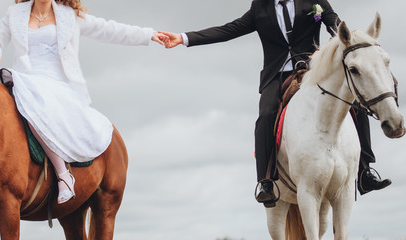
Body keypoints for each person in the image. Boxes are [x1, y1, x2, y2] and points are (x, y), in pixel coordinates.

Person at [160, 0, 391, 207]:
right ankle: (266, 181)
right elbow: (229, 30)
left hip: (315, 69)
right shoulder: (260, 7)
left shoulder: (314, 0)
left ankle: (365, 171)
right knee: (266, 114)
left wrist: (321, 52)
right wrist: (184, 38)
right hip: (277, 74)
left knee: (355, 103)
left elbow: (338, 29)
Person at [0, 0, 167, 204]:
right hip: (24, 78)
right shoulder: (15, 13)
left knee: (34, 103)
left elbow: (108, 30)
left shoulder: (70, 16)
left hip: (58, 82)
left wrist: (149, 34)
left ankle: (63, 174)